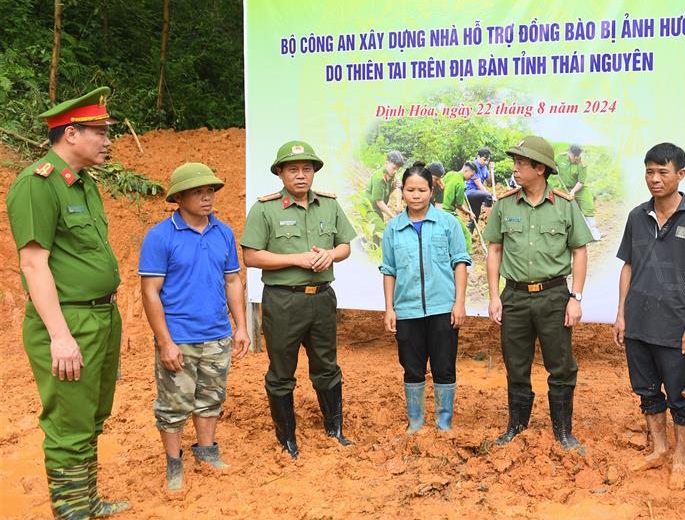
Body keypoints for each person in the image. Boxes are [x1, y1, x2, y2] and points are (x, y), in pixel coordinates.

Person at [6, 87, 128, 520]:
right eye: (99, 132)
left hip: (101, 315)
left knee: (93, 414)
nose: (107, 140)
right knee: (69, 423)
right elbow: (35, 265)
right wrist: (59, 336)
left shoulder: (85, 183)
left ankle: (87, 500)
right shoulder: (38, 183)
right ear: (70, 133)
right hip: (68, 321)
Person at [241, 141, 357, 458]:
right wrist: (298, 259)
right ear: (280, 173)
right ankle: (287, 437)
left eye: (307, 169)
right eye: (293, 169)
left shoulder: (330, 205)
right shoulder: (264, 209)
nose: (301, 175)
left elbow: (345, 246)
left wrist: (331, 254)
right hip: (283, 301)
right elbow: (251, 256)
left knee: (326, 365)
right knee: (281, 370)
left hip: (321, 299)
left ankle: (335, 428)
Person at [138, 162, 250, 490]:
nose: (207, 197)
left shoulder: (224, 233)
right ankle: (174, 463)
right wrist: (165, 342)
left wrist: (240, 326)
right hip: (179, 337)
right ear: (179, 197)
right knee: (173, 404)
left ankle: (206, 450)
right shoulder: (160, 236)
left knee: (211, 397)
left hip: (217, 334)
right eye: (198, 192)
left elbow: (232, 281)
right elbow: (150, 291)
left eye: (210, 191)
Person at [612, 143, 685, 489]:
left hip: (675, 327)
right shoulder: (637, 216)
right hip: (638, 322)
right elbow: (627, 266)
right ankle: (659, 449)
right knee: (646, 391)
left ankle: (680, 458)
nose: (654, 179)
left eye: (663, 172)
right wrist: (621, 314)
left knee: (681, 395)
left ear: (680, 174)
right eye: (649, 172)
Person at [483, 136, 594, 452]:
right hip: (514, 297)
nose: (515, 168)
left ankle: (563, 433)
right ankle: (515, 428)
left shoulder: (564, 205)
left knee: (560, 365)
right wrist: (494, 296)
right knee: (516, 364)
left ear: (540, 169)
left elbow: (580, 251)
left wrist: (577, 297)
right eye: (515, 162)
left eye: (521, 163)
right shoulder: (505, 204)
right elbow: (494, 250)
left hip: (553, 296)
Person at [380, 163, 472, 433]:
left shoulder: (447, 224)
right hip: (407, 311)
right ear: (402, 191)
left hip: (443, 308)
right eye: (410, 190)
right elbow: (389, 270)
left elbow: (460, 263)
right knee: (412, 368)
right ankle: (416, 422)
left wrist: (459, 303)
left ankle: (444, 424)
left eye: (422, 189)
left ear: (432, 191)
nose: (416, 195)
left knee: (444, 367)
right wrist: (389, 308)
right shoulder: (394, 229)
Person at [552, 144, 601, 240]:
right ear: (569, 152)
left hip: (579, 189)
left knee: (588, 205)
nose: (575, 158)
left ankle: (594, 233)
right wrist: (553, 169)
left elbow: (581, 181)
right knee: (562, 209)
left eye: (577, 156)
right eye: (573, 156)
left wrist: (573, 191)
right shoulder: (560, 157)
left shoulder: (582, 163)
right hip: (564, 188)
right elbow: (552, 165)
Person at [363, 150, 405, 244]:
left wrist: (395, 185)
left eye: (397, 169)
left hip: (377, 210)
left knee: (378, 234)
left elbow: (390, 189)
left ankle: (371, 248)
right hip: (369, 208)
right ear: (386, 163)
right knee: (381, 233)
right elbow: (379, 202)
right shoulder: (379, 178)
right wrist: (393, 216)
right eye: (394, 168)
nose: (395, 171)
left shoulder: (391, 175)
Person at [441, 161, 477, 253]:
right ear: (466, 171)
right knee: (466, 235)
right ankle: (467, 258)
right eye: (471, 175)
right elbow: (459, 205)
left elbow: (441, 186)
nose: (471, 178)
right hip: (448, 212)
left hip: (438, 208)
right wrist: (469, 212)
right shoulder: (461, 184)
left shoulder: (450, 174)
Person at [465, 147, 494, 227]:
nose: (486, 162)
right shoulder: (474, 166)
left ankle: (469, 235)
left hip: (478, 194)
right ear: (478, 157)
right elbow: (479, 185)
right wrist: (490, 196)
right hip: (470, 192)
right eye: (484, 159)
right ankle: (489, 220)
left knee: (474, 218)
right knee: (488, 196)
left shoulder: (484, 168)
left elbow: (489, 182)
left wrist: (491, 170)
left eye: (488, 160)